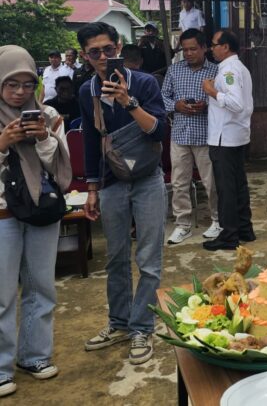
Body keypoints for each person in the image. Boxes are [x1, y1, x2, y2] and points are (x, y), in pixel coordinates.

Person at [77, 22, 167, 366]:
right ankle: (119, 323)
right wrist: (91, 188)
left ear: (118, 47)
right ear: (85, 56)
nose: (103, 56)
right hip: (112, 180)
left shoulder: (144, 83)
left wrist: (128, 101)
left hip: (147, 177)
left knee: (149, 258)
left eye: (108, 49)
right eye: (95, 52)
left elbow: (159, 130)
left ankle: (141, 327)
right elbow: (89, 140)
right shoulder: (87, 91)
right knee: (115, 257)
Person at [0, 45, 71, 398]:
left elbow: (61, 169)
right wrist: (2, 144)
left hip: (42, 210)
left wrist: (44, 138)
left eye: (28, 84)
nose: (20, 92)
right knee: (1, 295)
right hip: (3, 214)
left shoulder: (50, 114)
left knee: (41, 286)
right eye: (12, 84)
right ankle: (1, 368)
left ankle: (35, 356)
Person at [161, 28, 221, 245]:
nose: (188, 53)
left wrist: (207, 105)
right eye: (185, 50)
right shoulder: (174, 70)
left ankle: (217, 220)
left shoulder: (216, 71)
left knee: (211, 183)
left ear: (204, 48)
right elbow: (162, 97)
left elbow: (225, 99)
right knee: (179, 183)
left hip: (205, 135)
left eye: (193, 49)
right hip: (180, 135)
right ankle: (183, 225)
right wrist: (175, 105)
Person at [202, 29, 254, 251]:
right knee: (238, 185)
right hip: (235, 134)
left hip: (225, 137)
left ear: (225, 47)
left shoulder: (228, 70)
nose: (211, 49)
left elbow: (236, 103)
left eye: (214, 44)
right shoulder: (238, 67)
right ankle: (244, 229)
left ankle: (229, 235)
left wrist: (212, 91)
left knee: (226, 189)